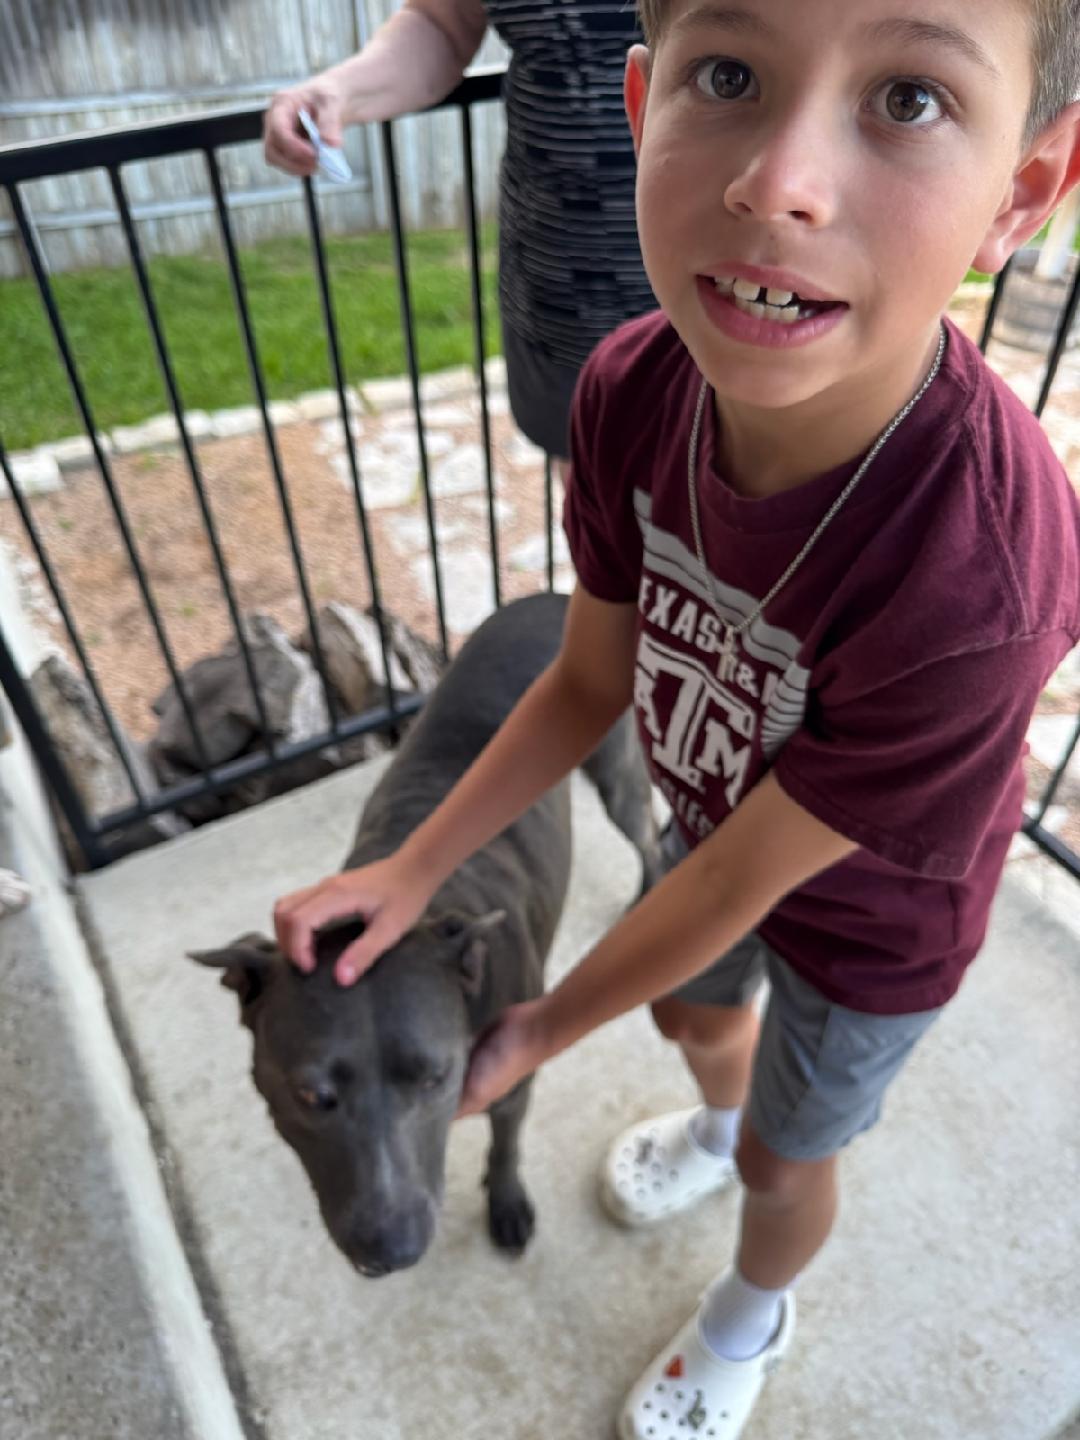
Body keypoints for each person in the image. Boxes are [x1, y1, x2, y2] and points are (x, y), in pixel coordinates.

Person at [273, 0, 1080, 1434]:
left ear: (1023, 190)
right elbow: (585, 684)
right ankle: (720, 1119)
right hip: (714, 819)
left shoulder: (984, 571)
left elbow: (744, 877)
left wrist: (528, 1036)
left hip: (876, 927)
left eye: (907, 100)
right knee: (694, 1015)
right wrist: (403, 869)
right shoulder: (632, 390)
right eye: (730, 74)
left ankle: (749, 1307)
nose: (778, 180)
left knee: (788, 1159)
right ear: (642, 106)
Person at [263, 0, 655, 461]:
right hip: (557, 291)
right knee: (595, 501)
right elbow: (441, 24)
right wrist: (335, 92)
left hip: (729, 283)